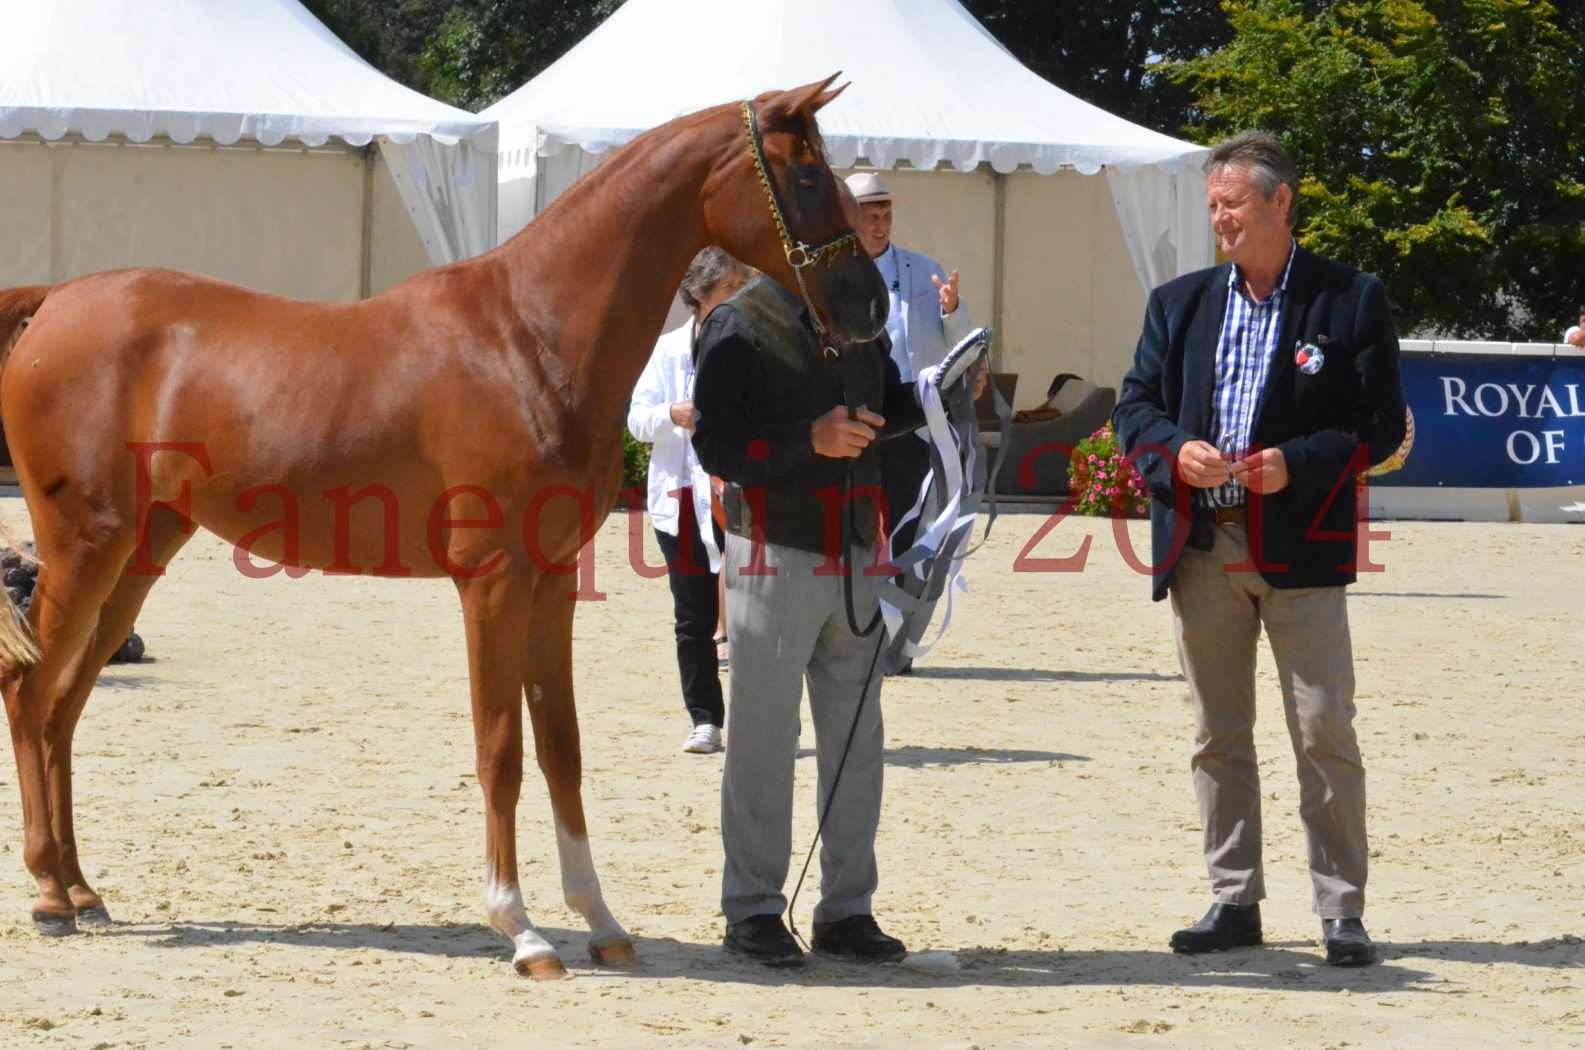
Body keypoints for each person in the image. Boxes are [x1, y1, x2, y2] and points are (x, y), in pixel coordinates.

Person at [1112, 131, 1406, 968]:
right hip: (1202, 545)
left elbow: (1379, 424)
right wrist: (1172, 447)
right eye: (1212, 207)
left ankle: (1341, 911)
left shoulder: (1350, 300)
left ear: (1281, 202)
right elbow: (1132, 405)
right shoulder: (1179, 302)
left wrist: (1296, 464)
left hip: (1302, 546)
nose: (1220, 220)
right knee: (1216, 732)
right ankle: (1232, 899)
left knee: (1322, 728)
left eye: (1233, 204)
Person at [690, 254, 926, 968]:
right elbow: (716, 444)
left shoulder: (862, 317)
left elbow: (884, 409)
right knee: (762, 738)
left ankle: (846, 911)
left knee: (857, 741)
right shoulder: (738, 322)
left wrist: (938, 396)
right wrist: (808, 441)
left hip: (855, 546)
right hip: (772, 548)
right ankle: (754, 909)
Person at [844, 171, 973, 676]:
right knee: (855, 532)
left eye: (886, 215)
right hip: (855, 424)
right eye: (870, 216)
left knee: (905, 533)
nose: (880, 226)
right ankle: (854, 635)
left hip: (910, 426)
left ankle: (895, 641)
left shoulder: (922, 271)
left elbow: (957, 340)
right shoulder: (834, 273)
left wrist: (954, 309)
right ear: (851, 220)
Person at [627, 248, 754, 754]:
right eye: (730, 290)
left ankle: (765, 722)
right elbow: (636, 422)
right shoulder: (665, 351)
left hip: (740, 495)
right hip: (680, 501)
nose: (739, 300)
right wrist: (669, 413)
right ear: (701, 295)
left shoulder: (749, 344)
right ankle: (706, 718)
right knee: (693, 617)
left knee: (755, 619)